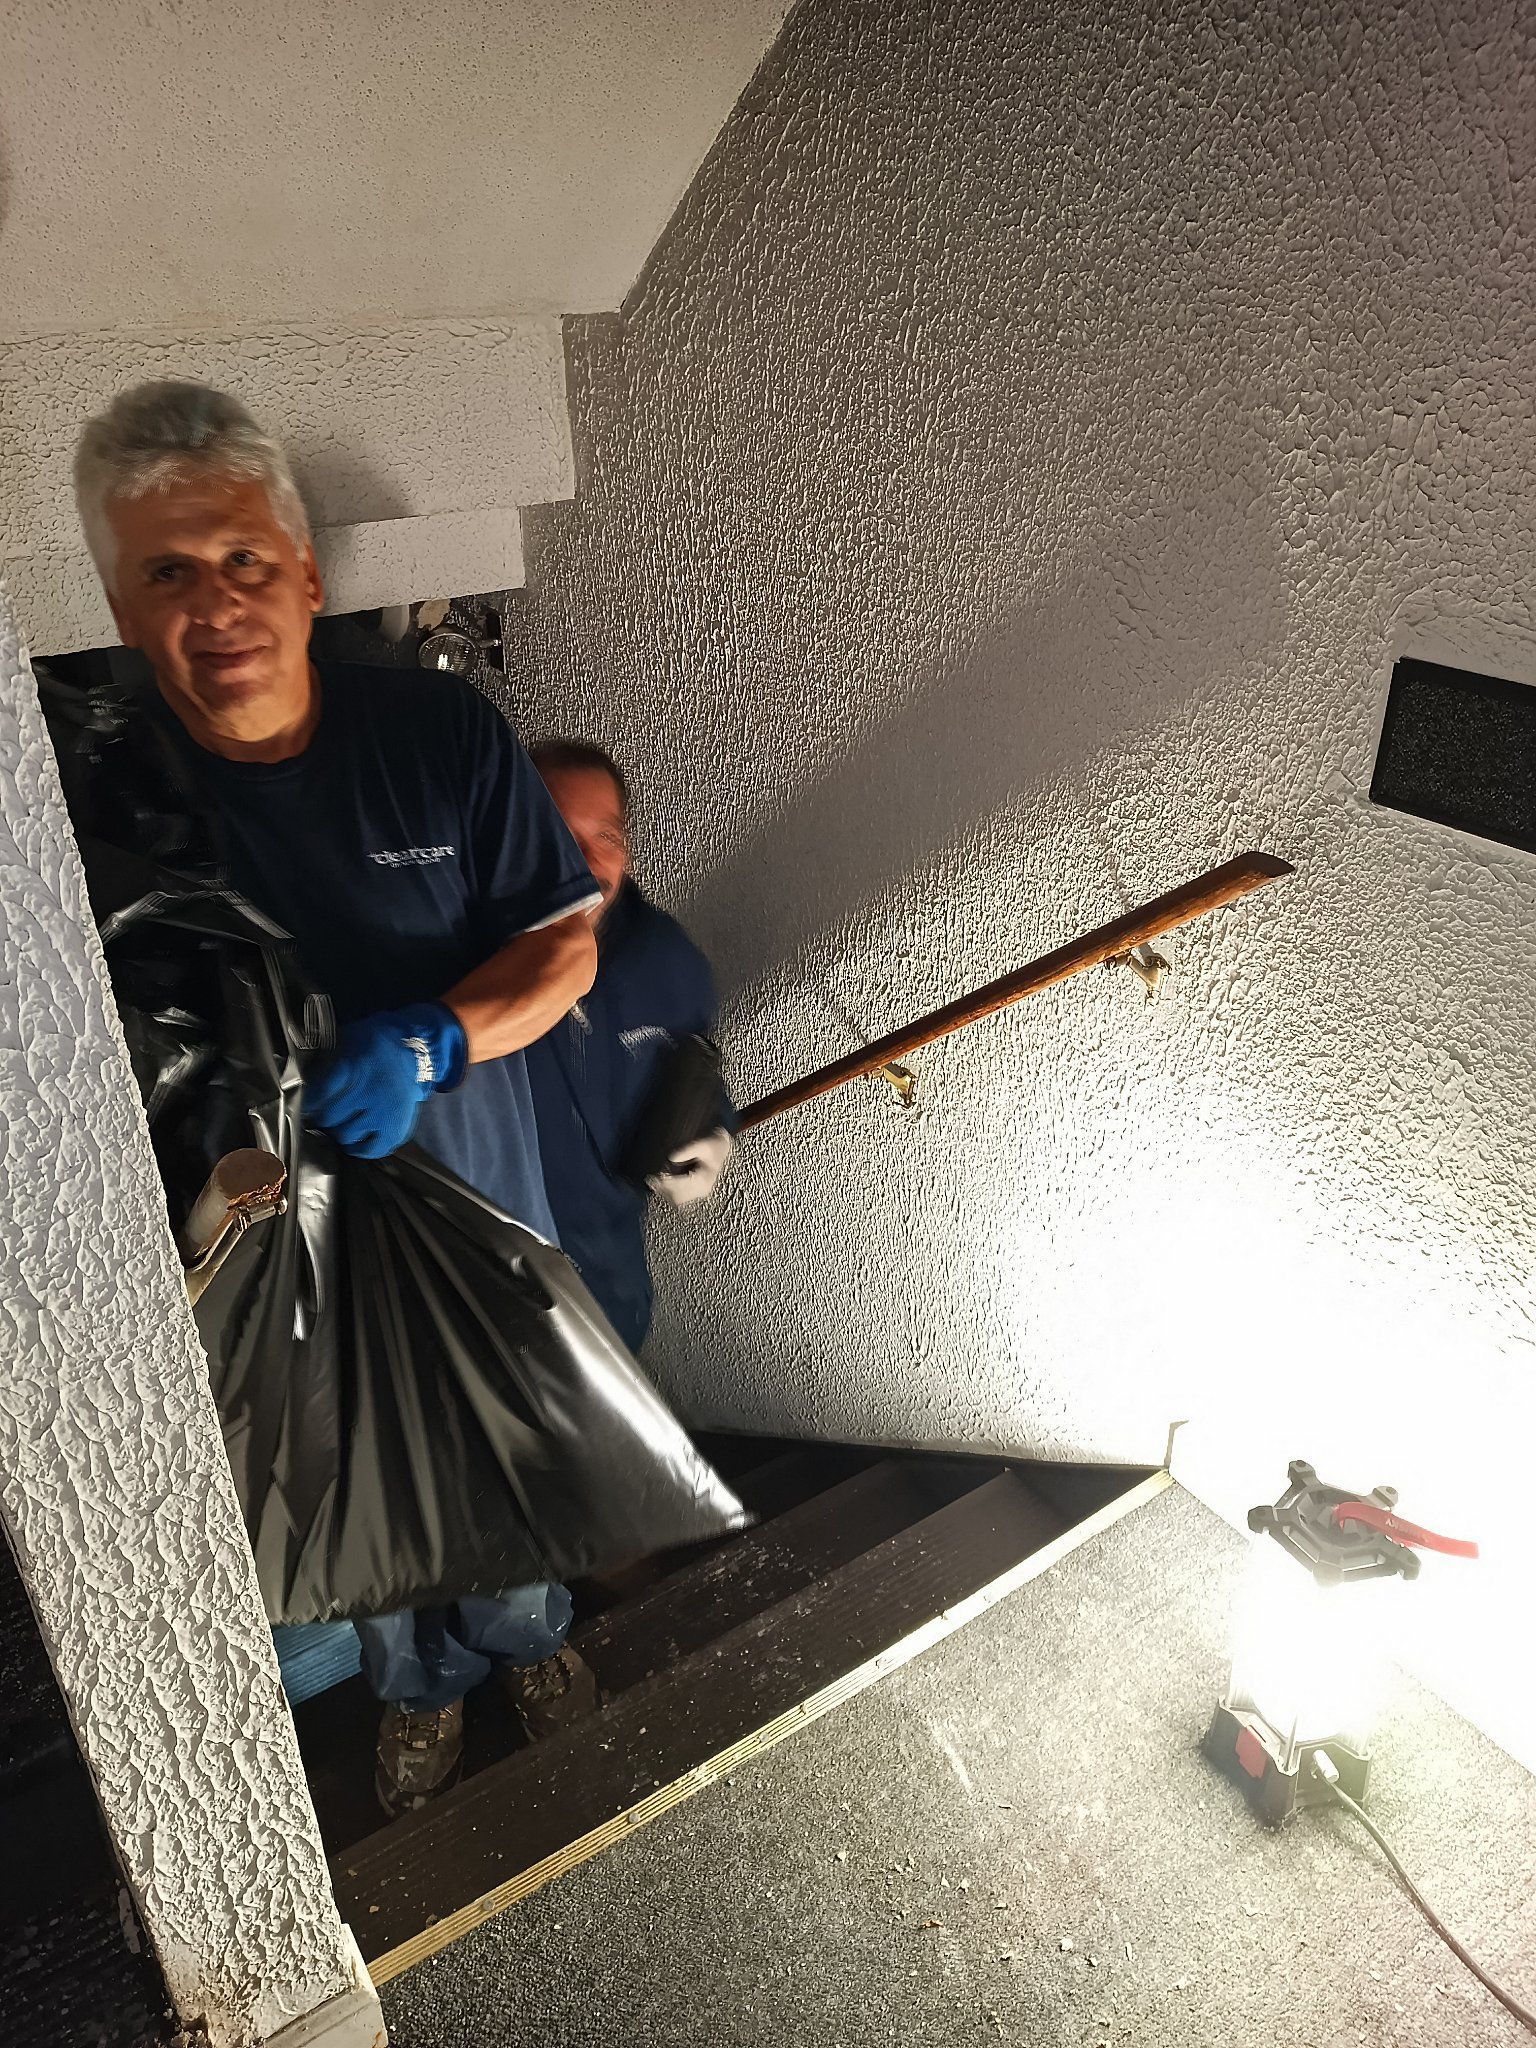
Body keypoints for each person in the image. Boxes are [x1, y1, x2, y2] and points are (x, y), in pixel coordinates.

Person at [71, 381, 602, 1816]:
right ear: (122, 609)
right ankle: (417, 1693)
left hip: (478, 1225)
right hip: (286, 1268)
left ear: (306, 575)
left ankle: (532, 1642)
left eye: (244, 558)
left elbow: (562, 948)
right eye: (166, 573)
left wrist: (431, 1038)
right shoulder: (119, 815)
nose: (214, 603)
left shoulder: (438, 734)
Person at [525, 741, 733, 1354]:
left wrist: (715, 1132)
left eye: (606, 837)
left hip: (608, 1292)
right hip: (483, 1286)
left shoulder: (668, 961)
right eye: (562, 835)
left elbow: (693, 1066)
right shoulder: (465, 954)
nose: (587, 861)